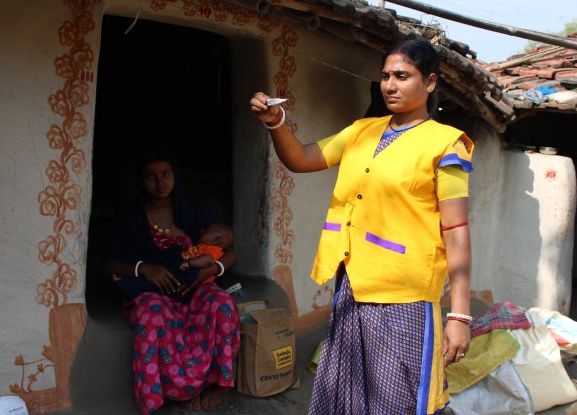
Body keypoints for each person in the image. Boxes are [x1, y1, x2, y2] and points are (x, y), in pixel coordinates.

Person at [250, 38, 473, 414]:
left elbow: (456, 230)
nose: (390, 85)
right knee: (349, 396)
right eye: (385, 76)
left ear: (430, 82)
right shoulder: (361, 131)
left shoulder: (447, 145)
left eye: (402, 76)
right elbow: (301, 158)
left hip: (405, 296)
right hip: (353, 284)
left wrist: (460, 316)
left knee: (396, 400)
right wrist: (276, 122)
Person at [104, 150, 240, 414]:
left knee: (222, 303)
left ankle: (210, 383)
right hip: (156, 291)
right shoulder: (133, 218)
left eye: (166, 174)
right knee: (153, 314)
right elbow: (109, 266)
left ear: (175, 175)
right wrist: (145, 269)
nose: (160, 182)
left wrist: (212, 270)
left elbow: (230, 251)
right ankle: (180, 390)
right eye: (151, 177)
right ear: (141, 181)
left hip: (194, 287)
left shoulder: (193, 211)